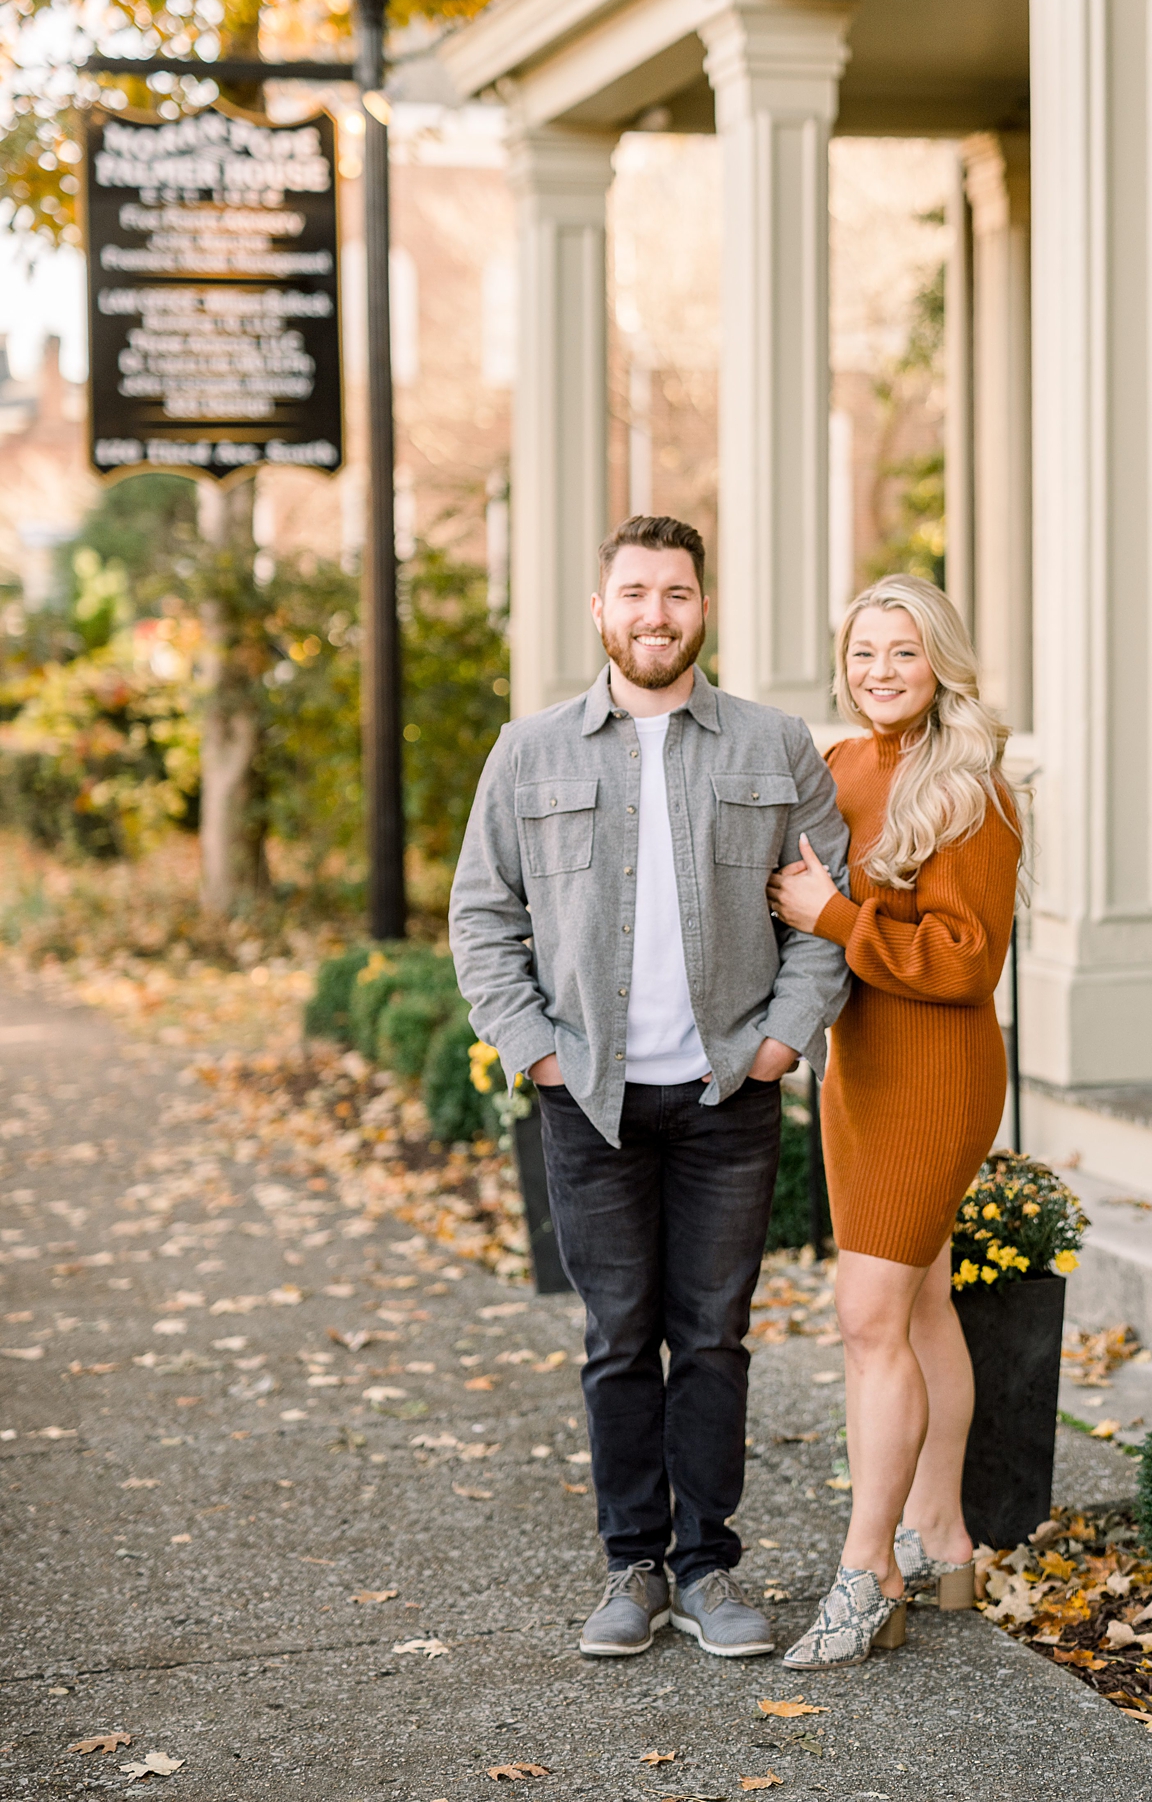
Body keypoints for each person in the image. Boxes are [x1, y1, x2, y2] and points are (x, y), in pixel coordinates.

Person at [450, 514, 851, 1662]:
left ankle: (706, 1566)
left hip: (729, 1092)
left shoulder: (773, 745)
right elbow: (481, 917)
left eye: (674, 592)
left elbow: (828, 913)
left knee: (713, 1337)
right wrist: (532, 1048)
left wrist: (779, 1042)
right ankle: (631, 1560)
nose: (654, 614)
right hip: (589, 1100)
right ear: (600, 609)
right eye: (634, 592)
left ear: (701, 608)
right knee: (618, 1336)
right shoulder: (529, 754)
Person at [766, 573, 1021, 1669]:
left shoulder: (974, 791)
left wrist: (834, 914)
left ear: (940, 663)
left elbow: (965, 963)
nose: (879, 672)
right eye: (863, 651)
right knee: (916, 1309)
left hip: (935, 1071)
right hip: (856, 1069)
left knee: (867, 1316)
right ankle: (942, 1539)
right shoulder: (837, 765)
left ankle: (866, 1569)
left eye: (902, 653)